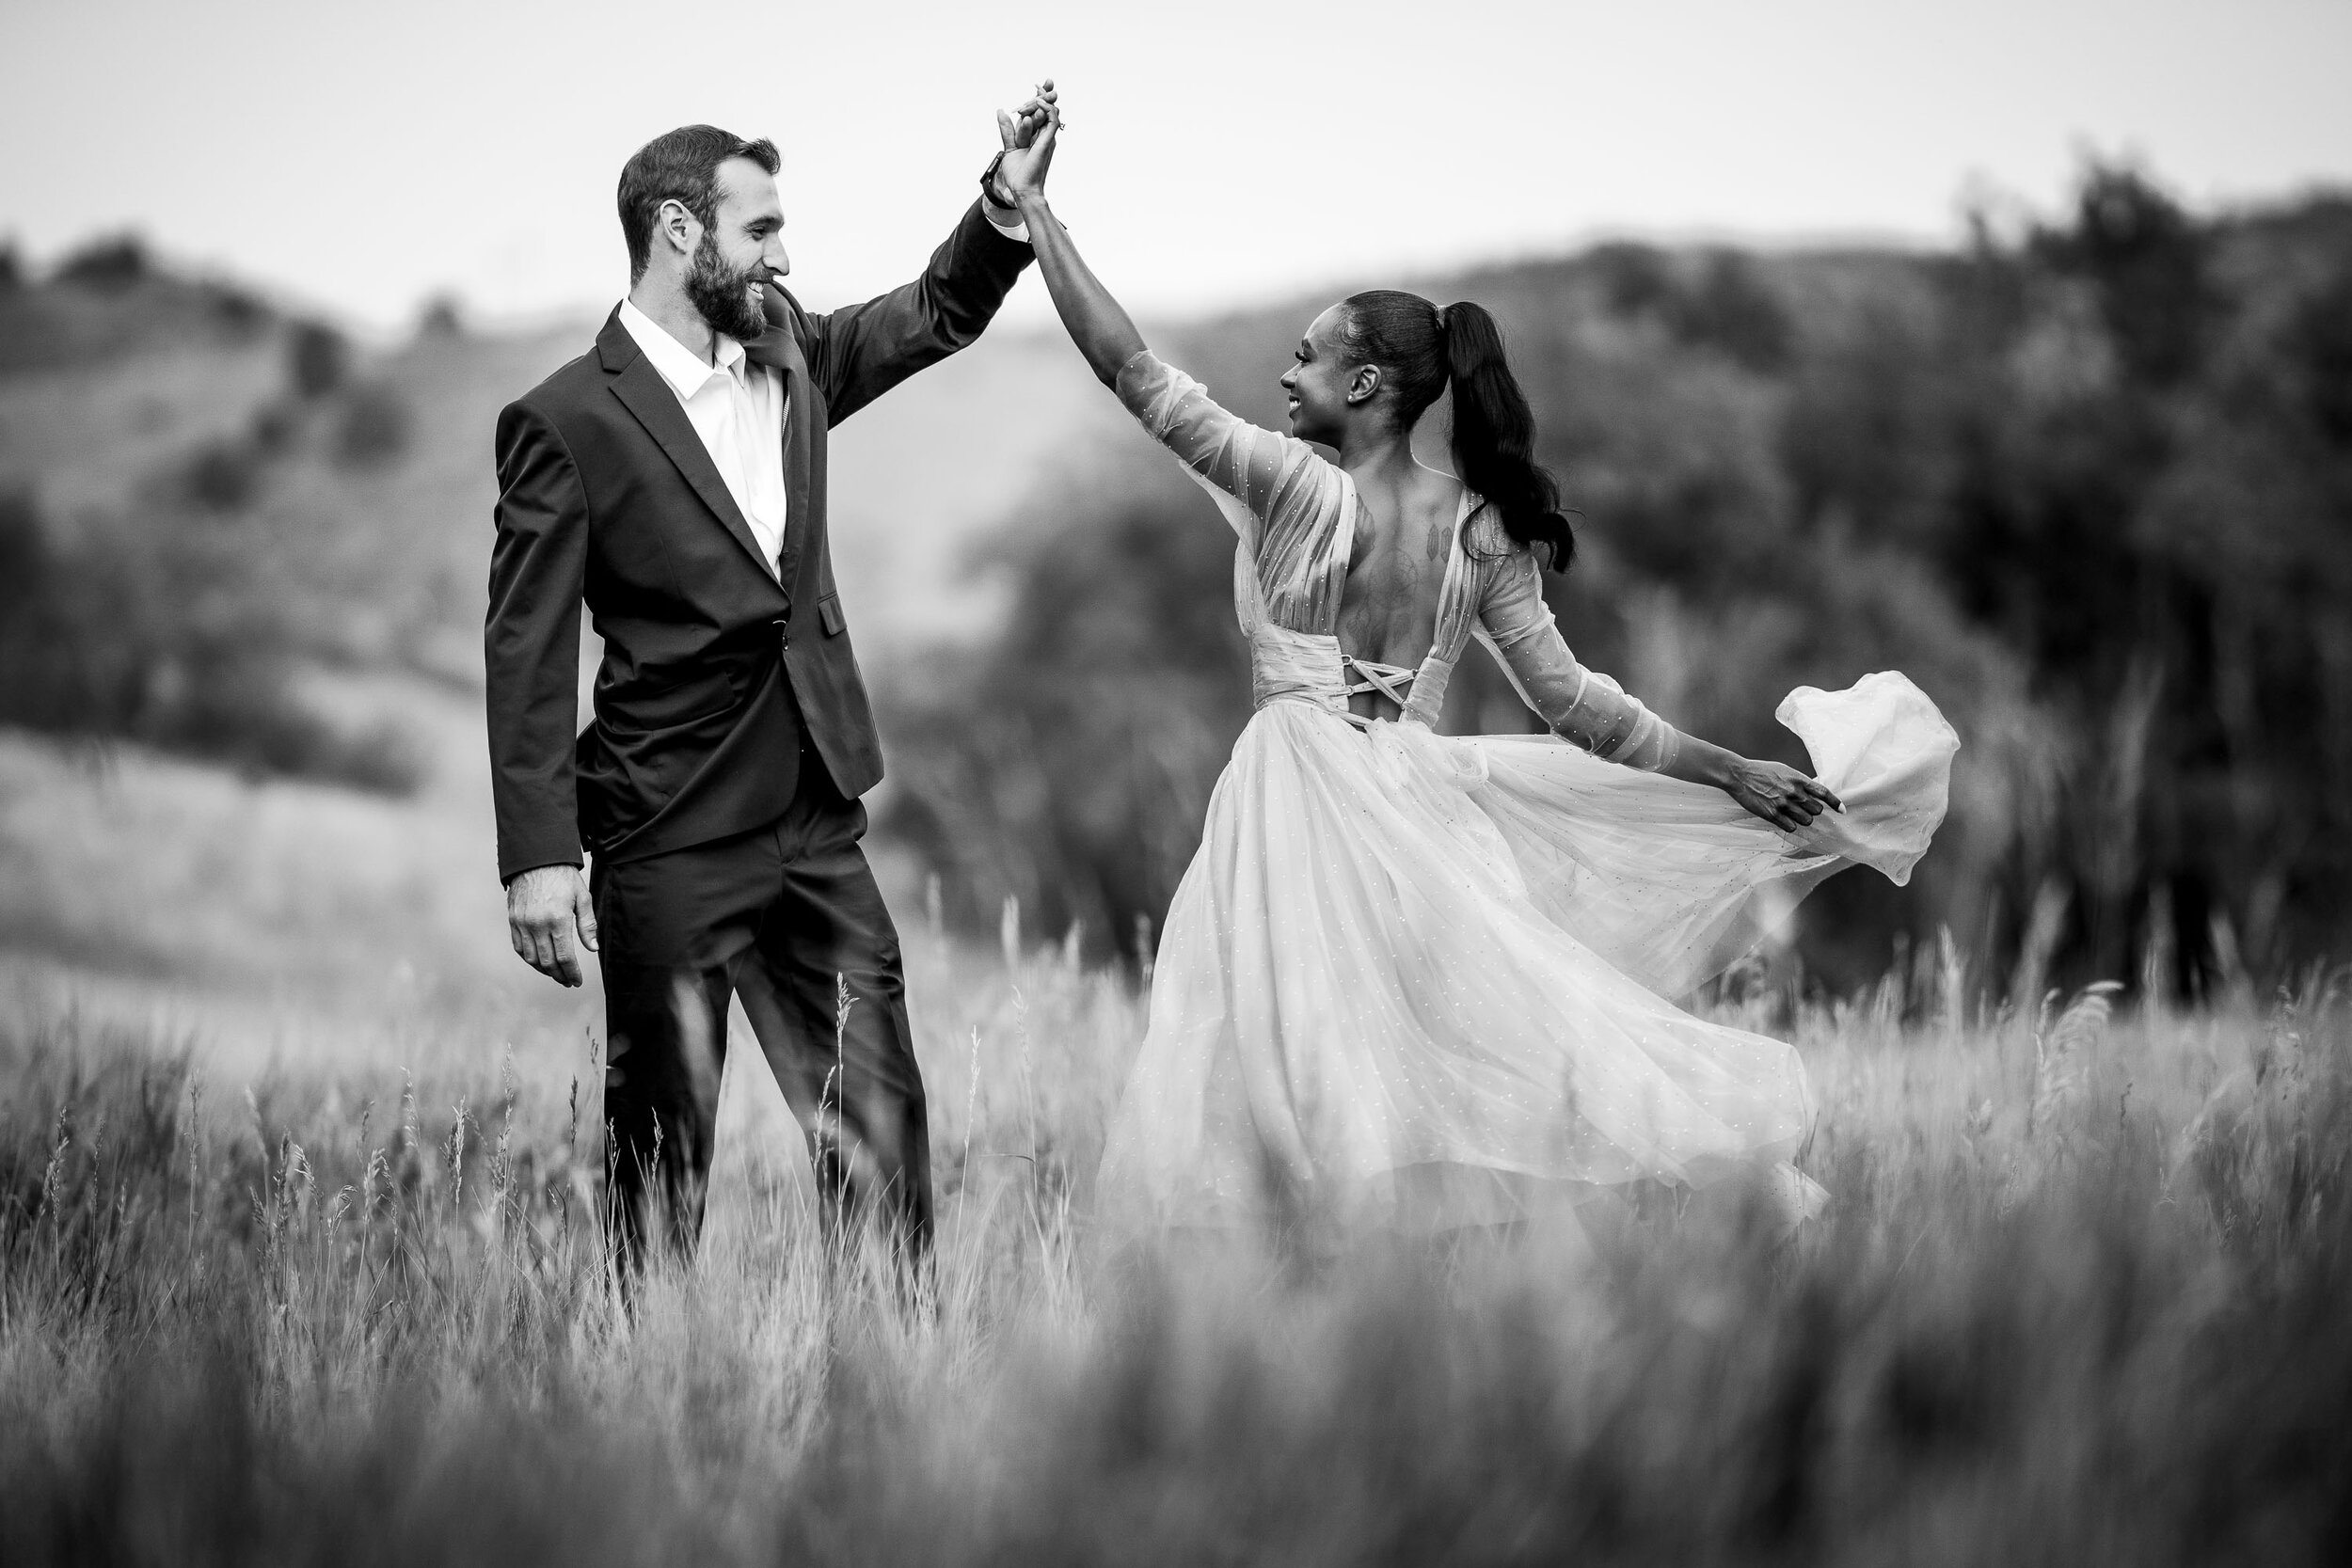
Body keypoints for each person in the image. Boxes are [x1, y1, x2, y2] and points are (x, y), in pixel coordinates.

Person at [990, 103, 1959, 1232]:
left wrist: (1036, 214)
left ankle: (1327, 1305)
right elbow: (1580, 706)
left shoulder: (1296, 488)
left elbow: (1133, 370)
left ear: (1362, 387)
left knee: (1281, 1081)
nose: (1285, 372)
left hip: (1299, 805)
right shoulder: (1479, 529)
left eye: (1307, 355)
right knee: (1450, 1053)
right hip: (1421, 816)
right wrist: (1727, 767)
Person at [486, 91, 1058, 1276]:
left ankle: (890, 1384)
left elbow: (935, 310)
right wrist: (538, 853)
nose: (784, 254)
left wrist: (1002, 203)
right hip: (668, 827)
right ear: (681, 233)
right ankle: (647, 1387)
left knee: (879, 1122)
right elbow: (527, 648)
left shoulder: (791, 354)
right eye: (761, 229)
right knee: (660, 1158)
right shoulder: (565, 421)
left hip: (812, 819)